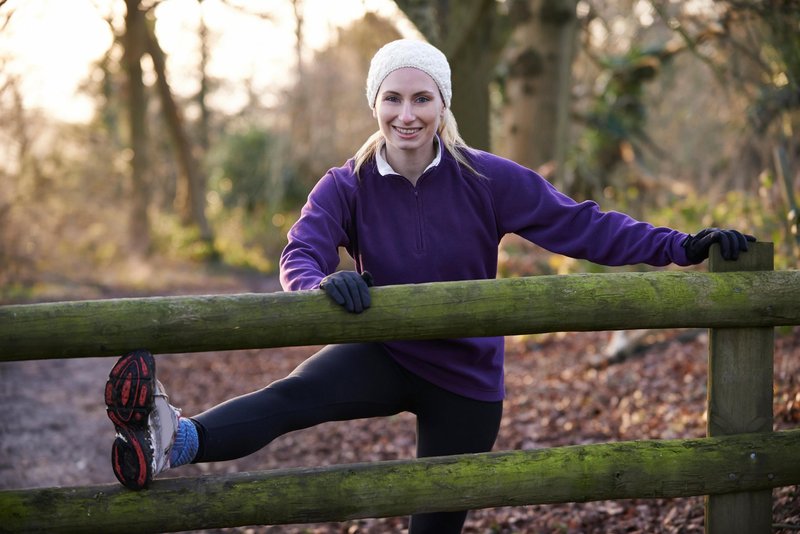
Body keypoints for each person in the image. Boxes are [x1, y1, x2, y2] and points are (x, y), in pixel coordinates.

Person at [104, 38, 755, 532]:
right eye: (393, 98)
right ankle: (171, 438)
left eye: (422, 98)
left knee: (434, 522)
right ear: (375, 105)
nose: (407, 114)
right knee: (291, 398)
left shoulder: (488, 179)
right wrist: (318, 292)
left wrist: (680, 245)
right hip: (385, 350)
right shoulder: (347, 183)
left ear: (443, 104)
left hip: (467, 380)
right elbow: (302, 250)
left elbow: (581, 226)